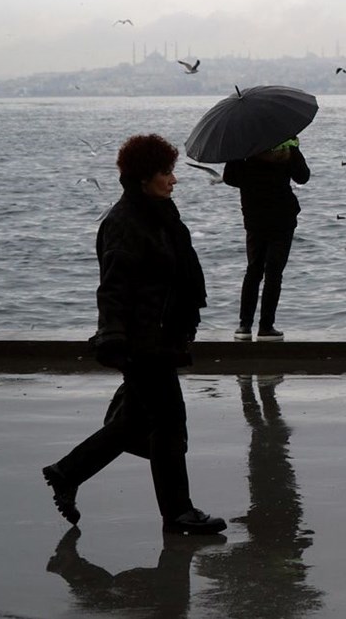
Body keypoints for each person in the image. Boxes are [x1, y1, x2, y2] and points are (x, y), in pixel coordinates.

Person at [42, 133, 226, 535]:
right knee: (169, 423)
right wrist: (112, 338)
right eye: (166, 172)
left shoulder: (159, 215)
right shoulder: (125, 223)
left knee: (135, 422)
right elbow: (113, 286)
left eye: (173, 171)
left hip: (162, 336)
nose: (173, 180)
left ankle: (66, 472)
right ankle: (178, 512)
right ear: (144, 178)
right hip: (143, 342)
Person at [223, 137, 311, 341]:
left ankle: (244, 326)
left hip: (254, 217)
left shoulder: (244, 148)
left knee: (253, 270)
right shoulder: (286, 146)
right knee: (274, 272)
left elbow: (230, 179)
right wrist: (294, 148)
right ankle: (266, 327)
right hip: (282, 217)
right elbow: (303, 177)